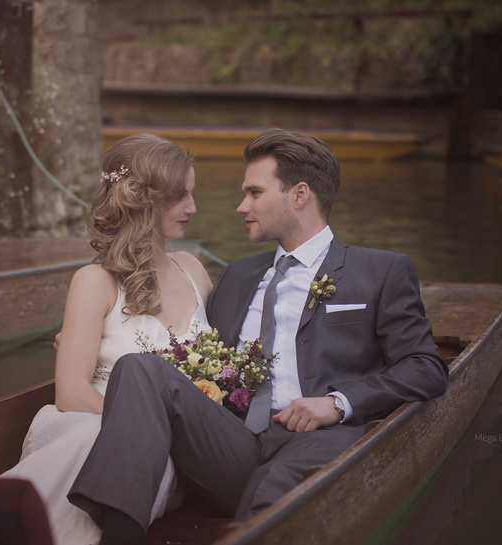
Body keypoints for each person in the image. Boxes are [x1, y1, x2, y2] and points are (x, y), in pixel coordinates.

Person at [66, 128, 450, 544]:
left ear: (299, 195)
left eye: (254, 193)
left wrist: (337, 404)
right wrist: (92, 333)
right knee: (140, 367)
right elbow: (188, 349)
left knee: (274, 494)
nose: (240, 206)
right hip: (231, 442)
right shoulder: (235, 277)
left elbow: (426, 368)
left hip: (317, 439)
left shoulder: (381, 271)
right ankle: (120, 534)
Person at [0, 133, 213, 545]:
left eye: (192, 194)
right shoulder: (95, 282)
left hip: (177, 451)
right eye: (180, 196)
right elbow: (71, 393)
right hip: (97, 423)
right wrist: (150, 428)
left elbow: (224, 367)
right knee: (95, 444)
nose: (193, 208)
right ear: (146, 200)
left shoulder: (194, 270)